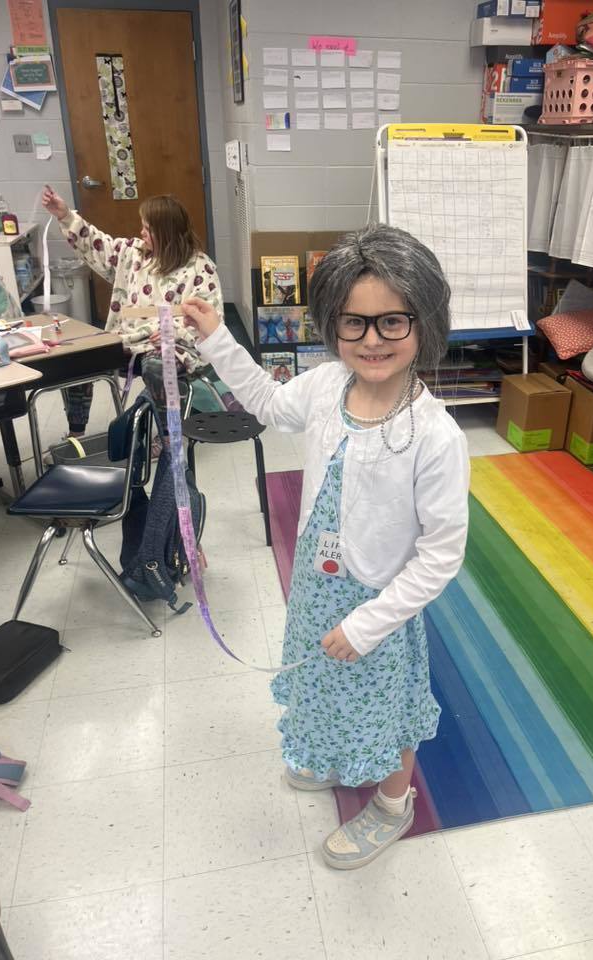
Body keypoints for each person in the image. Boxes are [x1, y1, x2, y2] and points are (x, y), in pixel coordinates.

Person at [181, 224, 470, 870]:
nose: (371, 341)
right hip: (318, 586)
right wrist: (214, 338)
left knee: (387, 708)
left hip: (379, 606)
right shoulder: (321, 387)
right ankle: (335, 755)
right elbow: (261, 400)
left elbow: (441, 555)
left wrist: (368, 624)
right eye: (353, 323)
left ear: (424, 321)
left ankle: (394, 806)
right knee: (323, 684)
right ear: (330, 325)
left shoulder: (436, 436)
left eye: (392, 322)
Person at [41, 186, 224, 439]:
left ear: (166, 232)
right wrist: (64, 215)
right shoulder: (133, 254)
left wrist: (175, 333)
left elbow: (210, 320)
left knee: (159, 367)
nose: (141, 233)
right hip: (127, 338)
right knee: (78, 358)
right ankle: (75, 436)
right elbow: (96, 244)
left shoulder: (200, 268)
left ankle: (169, 438)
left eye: (147, 229)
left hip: (173, 345)